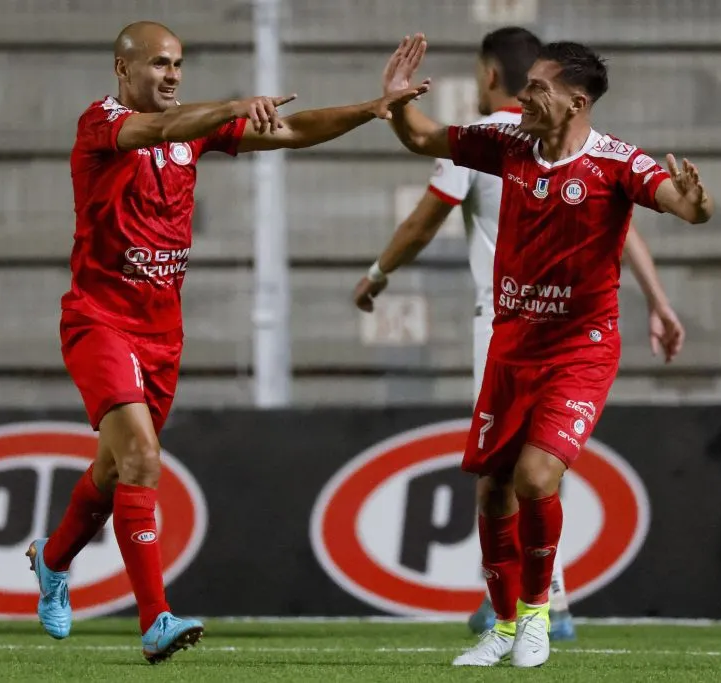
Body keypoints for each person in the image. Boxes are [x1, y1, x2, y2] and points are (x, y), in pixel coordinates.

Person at [25, 21, 429, 664]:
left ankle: (51, 560)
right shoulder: (99, 124)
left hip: (161, 334)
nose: (172, 75)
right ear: (122, 70)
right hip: (98, 320)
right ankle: (155, 620)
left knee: (115, 469)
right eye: (158, 63)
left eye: (178, 64)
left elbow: (292, 130)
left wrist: (371, 109)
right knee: (144, 459)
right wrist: (235, 105)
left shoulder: (193, 127)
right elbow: (157, 130)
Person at [380, 34, 712, 668]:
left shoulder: (616, 162)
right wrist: (395, 104)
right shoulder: (506, 145)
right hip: (512, 346)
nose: (524, 96)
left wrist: (695, 198)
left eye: (538, 88)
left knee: (536, 478)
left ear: (575, 101)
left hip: (579, 349)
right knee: (492, 491)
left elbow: (685, 207)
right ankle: (502, 626)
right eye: (526, 82)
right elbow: (425, 139)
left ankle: (537, 616)